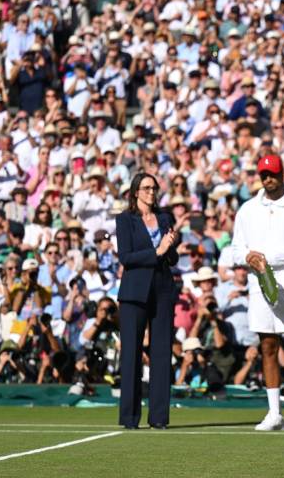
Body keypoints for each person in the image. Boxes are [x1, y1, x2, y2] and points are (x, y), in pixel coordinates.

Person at [231, 153, 284, 432]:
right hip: (260, 288)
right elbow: (236, 249)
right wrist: (248, 257)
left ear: (282, 175)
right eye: (263, 175)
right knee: (267, 347)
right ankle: (275, 413)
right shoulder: (247, 209)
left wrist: (266, 257)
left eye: (272, 174)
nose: (268, 179)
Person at [115, 173, 178, 430]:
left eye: (154, 188)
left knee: (162, 353)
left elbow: (171, 258)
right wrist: (158, 250)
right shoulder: (125, 219)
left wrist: (170, 247)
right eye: (146, 188)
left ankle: (159, 417)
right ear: (135, 192)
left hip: (162, 288)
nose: (151, 192)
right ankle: (130, 418)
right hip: (134, 291)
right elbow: (126, 257)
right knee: (131, 353)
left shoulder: (164, 218)